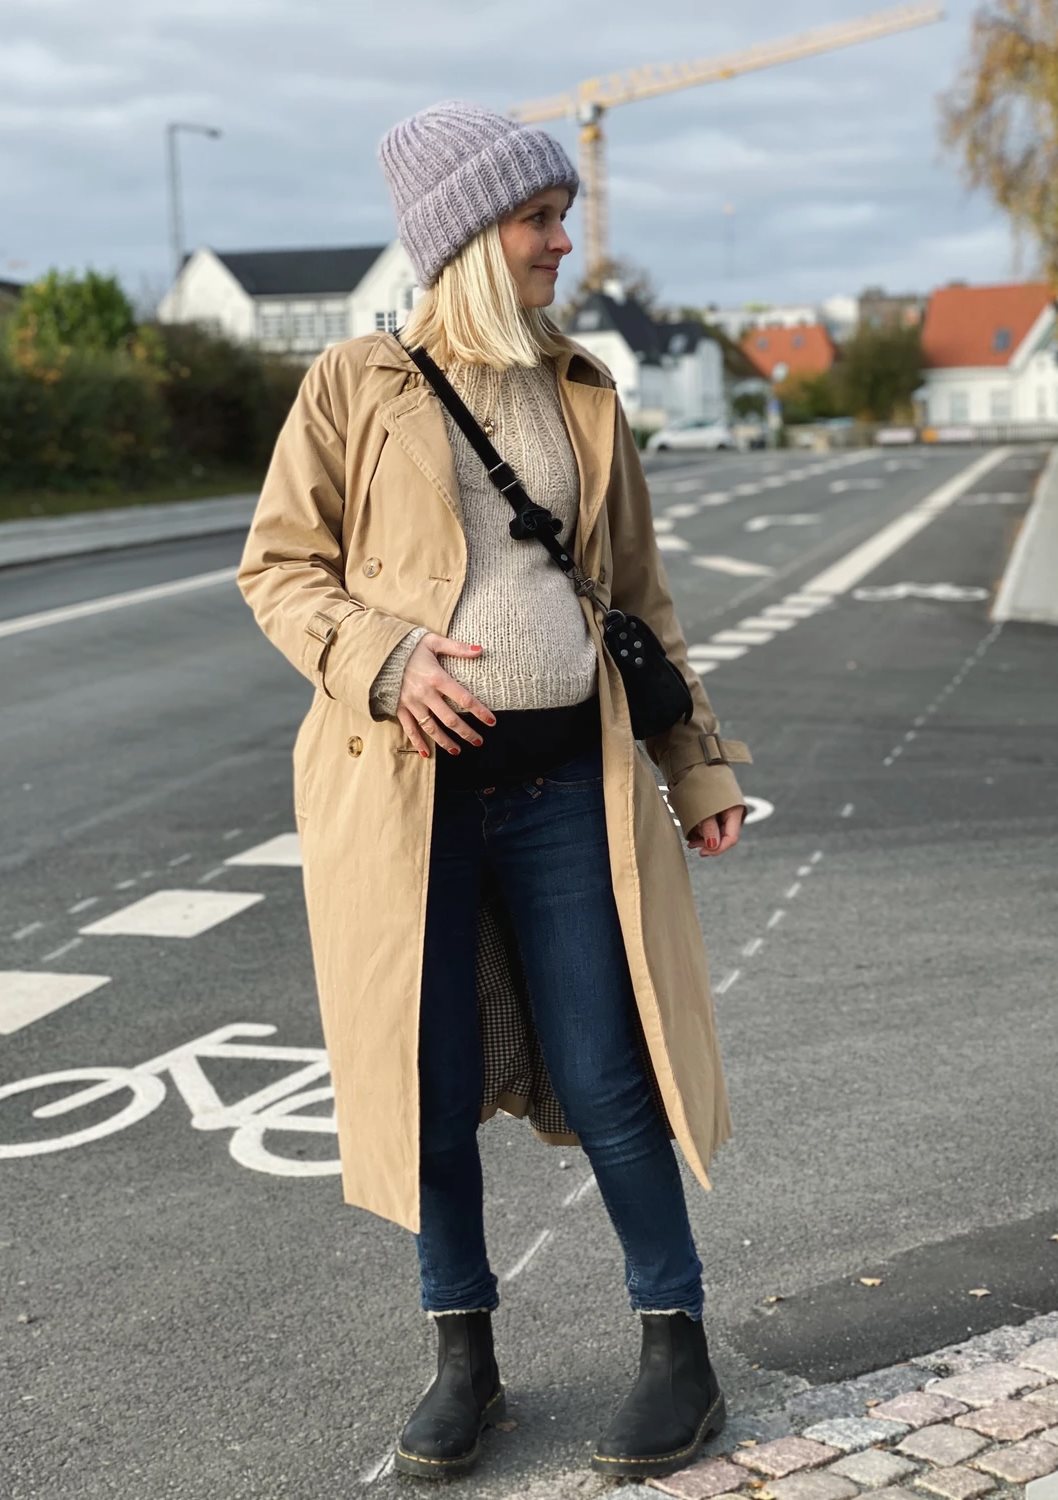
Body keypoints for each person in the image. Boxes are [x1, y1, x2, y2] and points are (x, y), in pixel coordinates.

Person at [235, 98, 754, 1484]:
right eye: (538, 218)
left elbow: (637, 599)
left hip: (566, 785)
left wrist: (695, 763)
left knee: (608, 1067)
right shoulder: (354, 385)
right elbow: (279, 569)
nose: (562, 242)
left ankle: (677, 1346)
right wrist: (386, 661)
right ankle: (462, 1357)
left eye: (561, 215)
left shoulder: (581, 386)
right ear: (468, 233)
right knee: (432, 1080)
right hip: (408, 797)